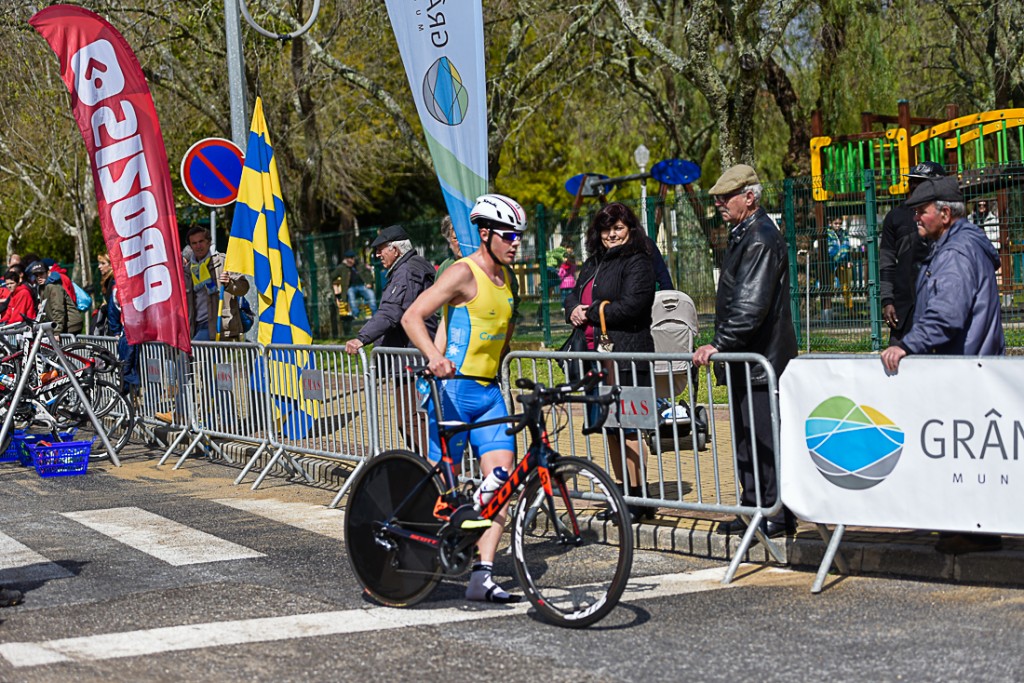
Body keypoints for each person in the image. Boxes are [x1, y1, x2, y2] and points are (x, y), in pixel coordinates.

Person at [401, 193, 526, 604]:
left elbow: (500, 341)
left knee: (501, 486)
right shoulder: (462, 272)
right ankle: (415, 552)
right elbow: (411, 316)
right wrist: (435, 359)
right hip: (454, 392)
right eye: (509, 236)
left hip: (490, 394)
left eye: (519, 237)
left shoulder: (509, 280)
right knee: (442, 493)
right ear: (486, 234)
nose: (515, 243)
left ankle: (482, 576)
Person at [879, 176, 1004, 555]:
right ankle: (969, 527)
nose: (915, 217)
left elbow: (947, 316)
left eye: (922, 211)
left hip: (963, 371)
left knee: (964, 457)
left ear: (945, 214)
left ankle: (972, 530)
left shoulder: (955, 253)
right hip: (967, 369)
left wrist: (906, 346)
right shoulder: (956, 246)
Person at [692, 164, 798, 538]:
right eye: (718, 197)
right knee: (746, 440)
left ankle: (775, 513)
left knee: (764, 441)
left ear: (749, 198)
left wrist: (719, 344)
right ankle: (754, 507)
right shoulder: (746, 234)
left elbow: (752, 307)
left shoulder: (760, 238)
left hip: (760, 360)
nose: (719, 203)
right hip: (747, 361)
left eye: (726, 197)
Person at [564, 202, 657, 522]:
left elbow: (634, 305)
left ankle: (639, 495)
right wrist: (574, 308)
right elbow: (573, 295)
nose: (611, 234)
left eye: (617, 228)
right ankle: (623, 492)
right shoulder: (593, 262)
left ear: (629, 228)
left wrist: (590, 311)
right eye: (606, 229)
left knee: (630, 427)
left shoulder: (638, 261)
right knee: (611, 428)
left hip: (627, 354)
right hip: (596, 358)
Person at [880, 161, 947, 345]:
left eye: (922, 182)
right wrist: (887, 300)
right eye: (913, 182)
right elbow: (887, 262)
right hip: (904, 308)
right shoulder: (895, 217)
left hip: (936, 306)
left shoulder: (946, 216)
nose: (915, 187)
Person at [344, 226, 437, 355]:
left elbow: (391, 311)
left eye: (380, 250)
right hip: (416, 349)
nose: (377, 254)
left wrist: (361, 338)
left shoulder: (406, 272)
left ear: (395, 250)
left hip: (411, 355)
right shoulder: (414, 265)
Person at [184, 227, 249, 341]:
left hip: (221, 326)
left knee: (195, 355)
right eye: (194, 243)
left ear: (209, 242)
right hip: (196, 326)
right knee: (199, 358)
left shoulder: (223, 262)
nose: (198, 246)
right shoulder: (188, 270)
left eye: (201, 241)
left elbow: (244, 287)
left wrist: (229, 283)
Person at [29, 261, 83, 334]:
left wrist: (57, 331)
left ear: (48, 273)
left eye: (41, 274)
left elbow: (58, 309)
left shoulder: (53, 287)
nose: (39, 277)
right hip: (62, 324)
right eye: (36, 275)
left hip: (71, 324)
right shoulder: (41, 288)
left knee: (66, 345)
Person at [339, 249, 376, 319]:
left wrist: (369, 283)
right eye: (348, 259)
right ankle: (355, 315)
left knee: (371, 295)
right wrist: (343, 265)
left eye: (351, 259)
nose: (350, 261)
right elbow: (333, 275)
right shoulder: (343, 267)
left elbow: (368, 274)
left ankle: (375, 314)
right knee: (351, 295)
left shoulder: (360, 265)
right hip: (351, 287)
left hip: (363, 285)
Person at [92, 253, 115, 335]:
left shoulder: (113, 280)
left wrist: (104, 307)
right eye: (99, 263)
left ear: (111, 265)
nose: (99, 267)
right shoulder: (106, 280)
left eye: (103, 263)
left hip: (114, 325)